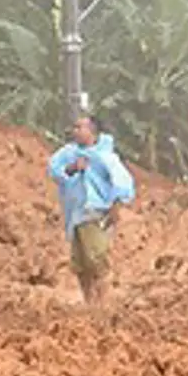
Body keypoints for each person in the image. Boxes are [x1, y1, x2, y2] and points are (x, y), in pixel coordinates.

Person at [47, 114, 137, 305]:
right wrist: (72, 168)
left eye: (80, 127)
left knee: (96, 257)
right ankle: (90, 302)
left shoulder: (105, 156)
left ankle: (103, 302)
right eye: (75, 127)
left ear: (92, 132)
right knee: (80, 263)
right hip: (75, 213)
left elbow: (123, 182)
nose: (75, 131)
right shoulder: (69, 153)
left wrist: (116, 206)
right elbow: (54, 170)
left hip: (94, 212)